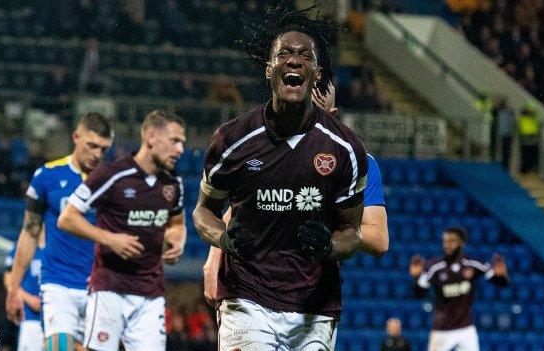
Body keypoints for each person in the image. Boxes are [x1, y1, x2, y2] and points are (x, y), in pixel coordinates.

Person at [193, 3, 368, 350]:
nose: (294, 59)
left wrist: (331, 245)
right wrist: (222, 240)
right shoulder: (231, 140)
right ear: (268, 70)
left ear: (316, 73)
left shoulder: (345, 148)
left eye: (305, 55)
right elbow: (202, 211)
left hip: (313, 309)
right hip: (247, 300)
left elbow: (353, 233)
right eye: (284, 53)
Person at [202, 81, 389, 306]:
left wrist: (329, 229)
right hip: (252, 286)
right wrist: (213, 258)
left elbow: (379, 239)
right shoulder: (266, 148)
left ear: (332, 115)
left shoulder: (356, 162)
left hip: (312, 288)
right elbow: (240, 207)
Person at [57, 110, 187, 350]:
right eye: (174, 141)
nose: (180, 149)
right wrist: (110, 239)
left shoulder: (173, 183)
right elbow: (67, 218)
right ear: (150, 137)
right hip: (109, 288)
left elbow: (177, 223)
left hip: (151, 292)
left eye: (182, 143)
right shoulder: (111, 175)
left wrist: (176, 240)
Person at [5, 112, 114, 351]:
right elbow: (29, 233)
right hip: (58, 283)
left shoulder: (112, 182)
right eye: (92, 145)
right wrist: (14, 290)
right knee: (60, 346)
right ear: (76, 137)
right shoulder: (47, 176)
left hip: (100, 287)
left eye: (103, 149)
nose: (97, 154)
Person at [409, 227, 509, 351]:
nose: (448, 245)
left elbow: (501, 283)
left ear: (462, 243)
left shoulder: (472, 264)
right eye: (445, 241)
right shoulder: (434, 267)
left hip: (466, 330)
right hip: (441, 331)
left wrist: (502, 276)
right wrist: (415, 278)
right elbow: (419, 294)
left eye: (452, 241)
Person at [4, 231, 44, 351]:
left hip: (53, 316)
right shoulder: (18, 247)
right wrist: (29, 299)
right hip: (28, 318)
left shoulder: (56, 247)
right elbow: (8, 279)